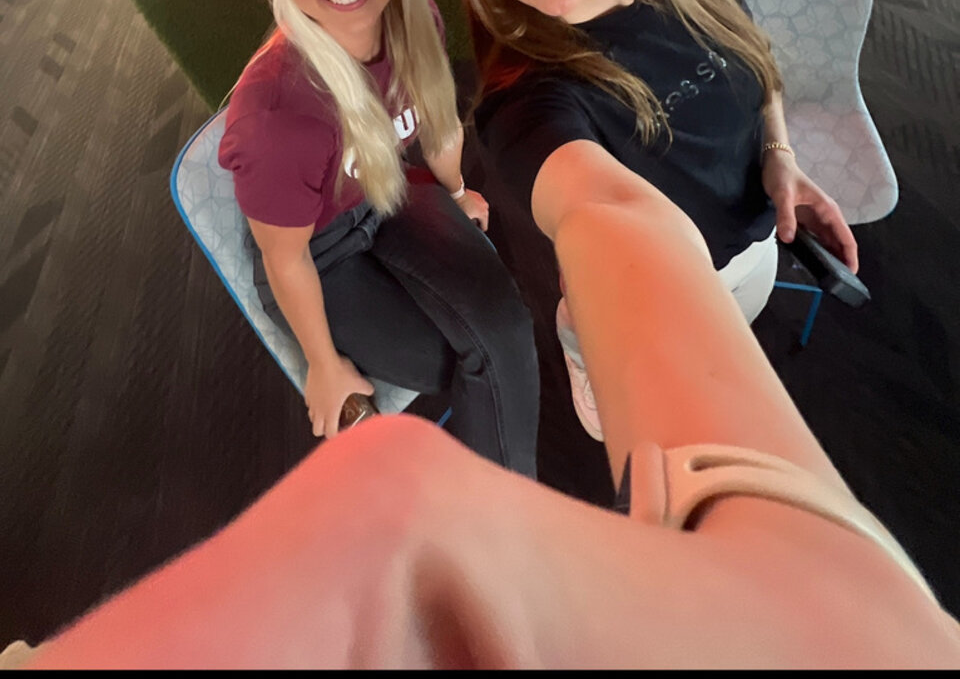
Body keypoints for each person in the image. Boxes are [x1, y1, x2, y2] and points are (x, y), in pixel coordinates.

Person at [13, 173, 960, 669]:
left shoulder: (401, 33)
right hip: (351, 252)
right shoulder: (292, 114)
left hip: (413, 209)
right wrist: (328, 365)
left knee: (483, 357)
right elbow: (603, 200)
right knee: (449, 400)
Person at [430, 0, 858, 452]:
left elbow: (756, 57)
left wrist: (780, 155)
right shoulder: (524, 101)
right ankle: (582, 341)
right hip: (660, 303)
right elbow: (594, 202)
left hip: (756, 250)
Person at [217, 0, 538, 472]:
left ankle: (504, 510)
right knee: (457, 360)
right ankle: (497, 508)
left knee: (504, 335)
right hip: (321, 249)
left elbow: (436, 114)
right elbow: (285, 259)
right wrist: (324, 366)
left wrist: (452, 190)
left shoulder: (412, 15)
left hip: (389, 186)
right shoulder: (275, 114)